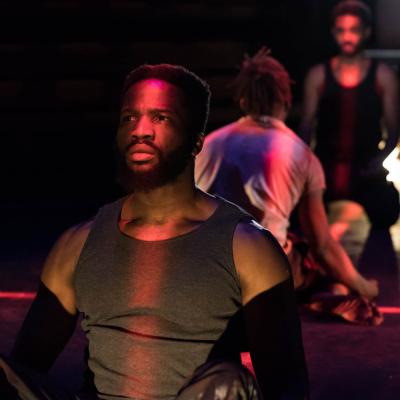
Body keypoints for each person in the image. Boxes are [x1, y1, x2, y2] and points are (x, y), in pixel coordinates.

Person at [1, 64, 308, 399]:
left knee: (228, 383)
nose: (141, 130)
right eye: (129, 118)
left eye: (161, 118)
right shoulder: (78, 243)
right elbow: (24, 369)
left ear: (196, 142)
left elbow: (288, 388)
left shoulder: (249, 249)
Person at [195, 47, 381, 324]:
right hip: (264, 273)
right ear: (286, 97)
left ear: (242, 99)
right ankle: (321, 295)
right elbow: (322, 245)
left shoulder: (209, 145)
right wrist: (364, 286)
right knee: (316, 261)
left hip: (209, 271)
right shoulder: (300, 153)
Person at [299, 0, 399, 228]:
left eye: (354, 30)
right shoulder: (318, 75)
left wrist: (378, 161)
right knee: (302, 218)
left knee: (387, 211)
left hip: (366, 169)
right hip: (325, 169)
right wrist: (306, 168)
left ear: (366, 32)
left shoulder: (382, 76)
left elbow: (394, 130)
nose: (347, 37)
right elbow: (306, 126)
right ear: (333, 32)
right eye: (341, 30)